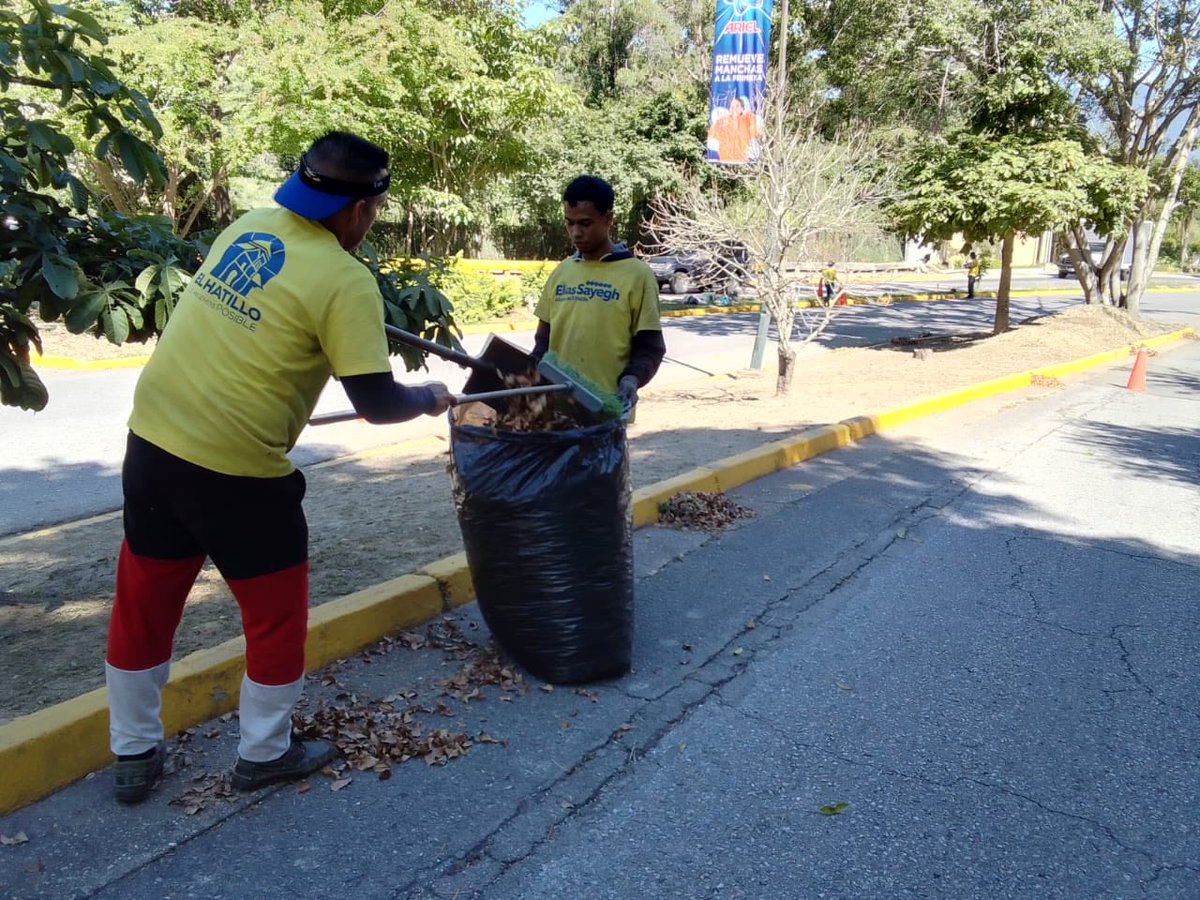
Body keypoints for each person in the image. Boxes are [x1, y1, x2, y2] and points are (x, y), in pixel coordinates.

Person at [105, 131, 453, 805]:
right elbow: (377, 404)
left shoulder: (250, 226)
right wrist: (428, 397)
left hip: (150, 442)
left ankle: (132, 753)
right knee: (274, 616)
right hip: (234, 470)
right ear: (360, 211)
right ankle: (264, 752)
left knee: (144, 603)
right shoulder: (347, 281)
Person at [532, 175, 665, 418]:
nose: (576, 233)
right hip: (555, 409)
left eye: (585, 223)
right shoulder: (562, 271)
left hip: (606, 412)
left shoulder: (637, 275)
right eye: (569, 223)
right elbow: (543, 343)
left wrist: (632, 379)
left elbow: (650, 347)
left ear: (608, 219)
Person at [706, 97, 760, 164]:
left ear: (742, 109)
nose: (733, 109)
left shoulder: (748, 120)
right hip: (725, 159)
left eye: (737, 106)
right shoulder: (722, 121)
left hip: (742, 160)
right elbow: (711, 138)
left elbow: (755, 134)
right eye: (731, 107)